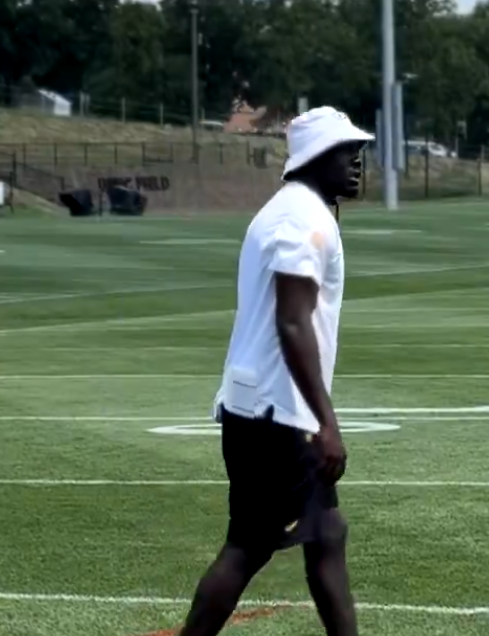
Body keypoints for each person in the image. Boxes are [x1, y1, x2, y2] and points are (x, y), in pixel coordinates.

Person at [175, 107, 371, 636]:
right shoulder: (301, 219)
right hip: (278, 416)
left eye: (357, 149)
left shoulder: (295, 209)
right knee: (272, 544)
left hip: (257, 407)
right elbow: (292, 321)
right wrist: (324, 421)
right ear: (312, 159)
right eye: (343, 151)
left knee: (304, 538)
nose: (357, 160)